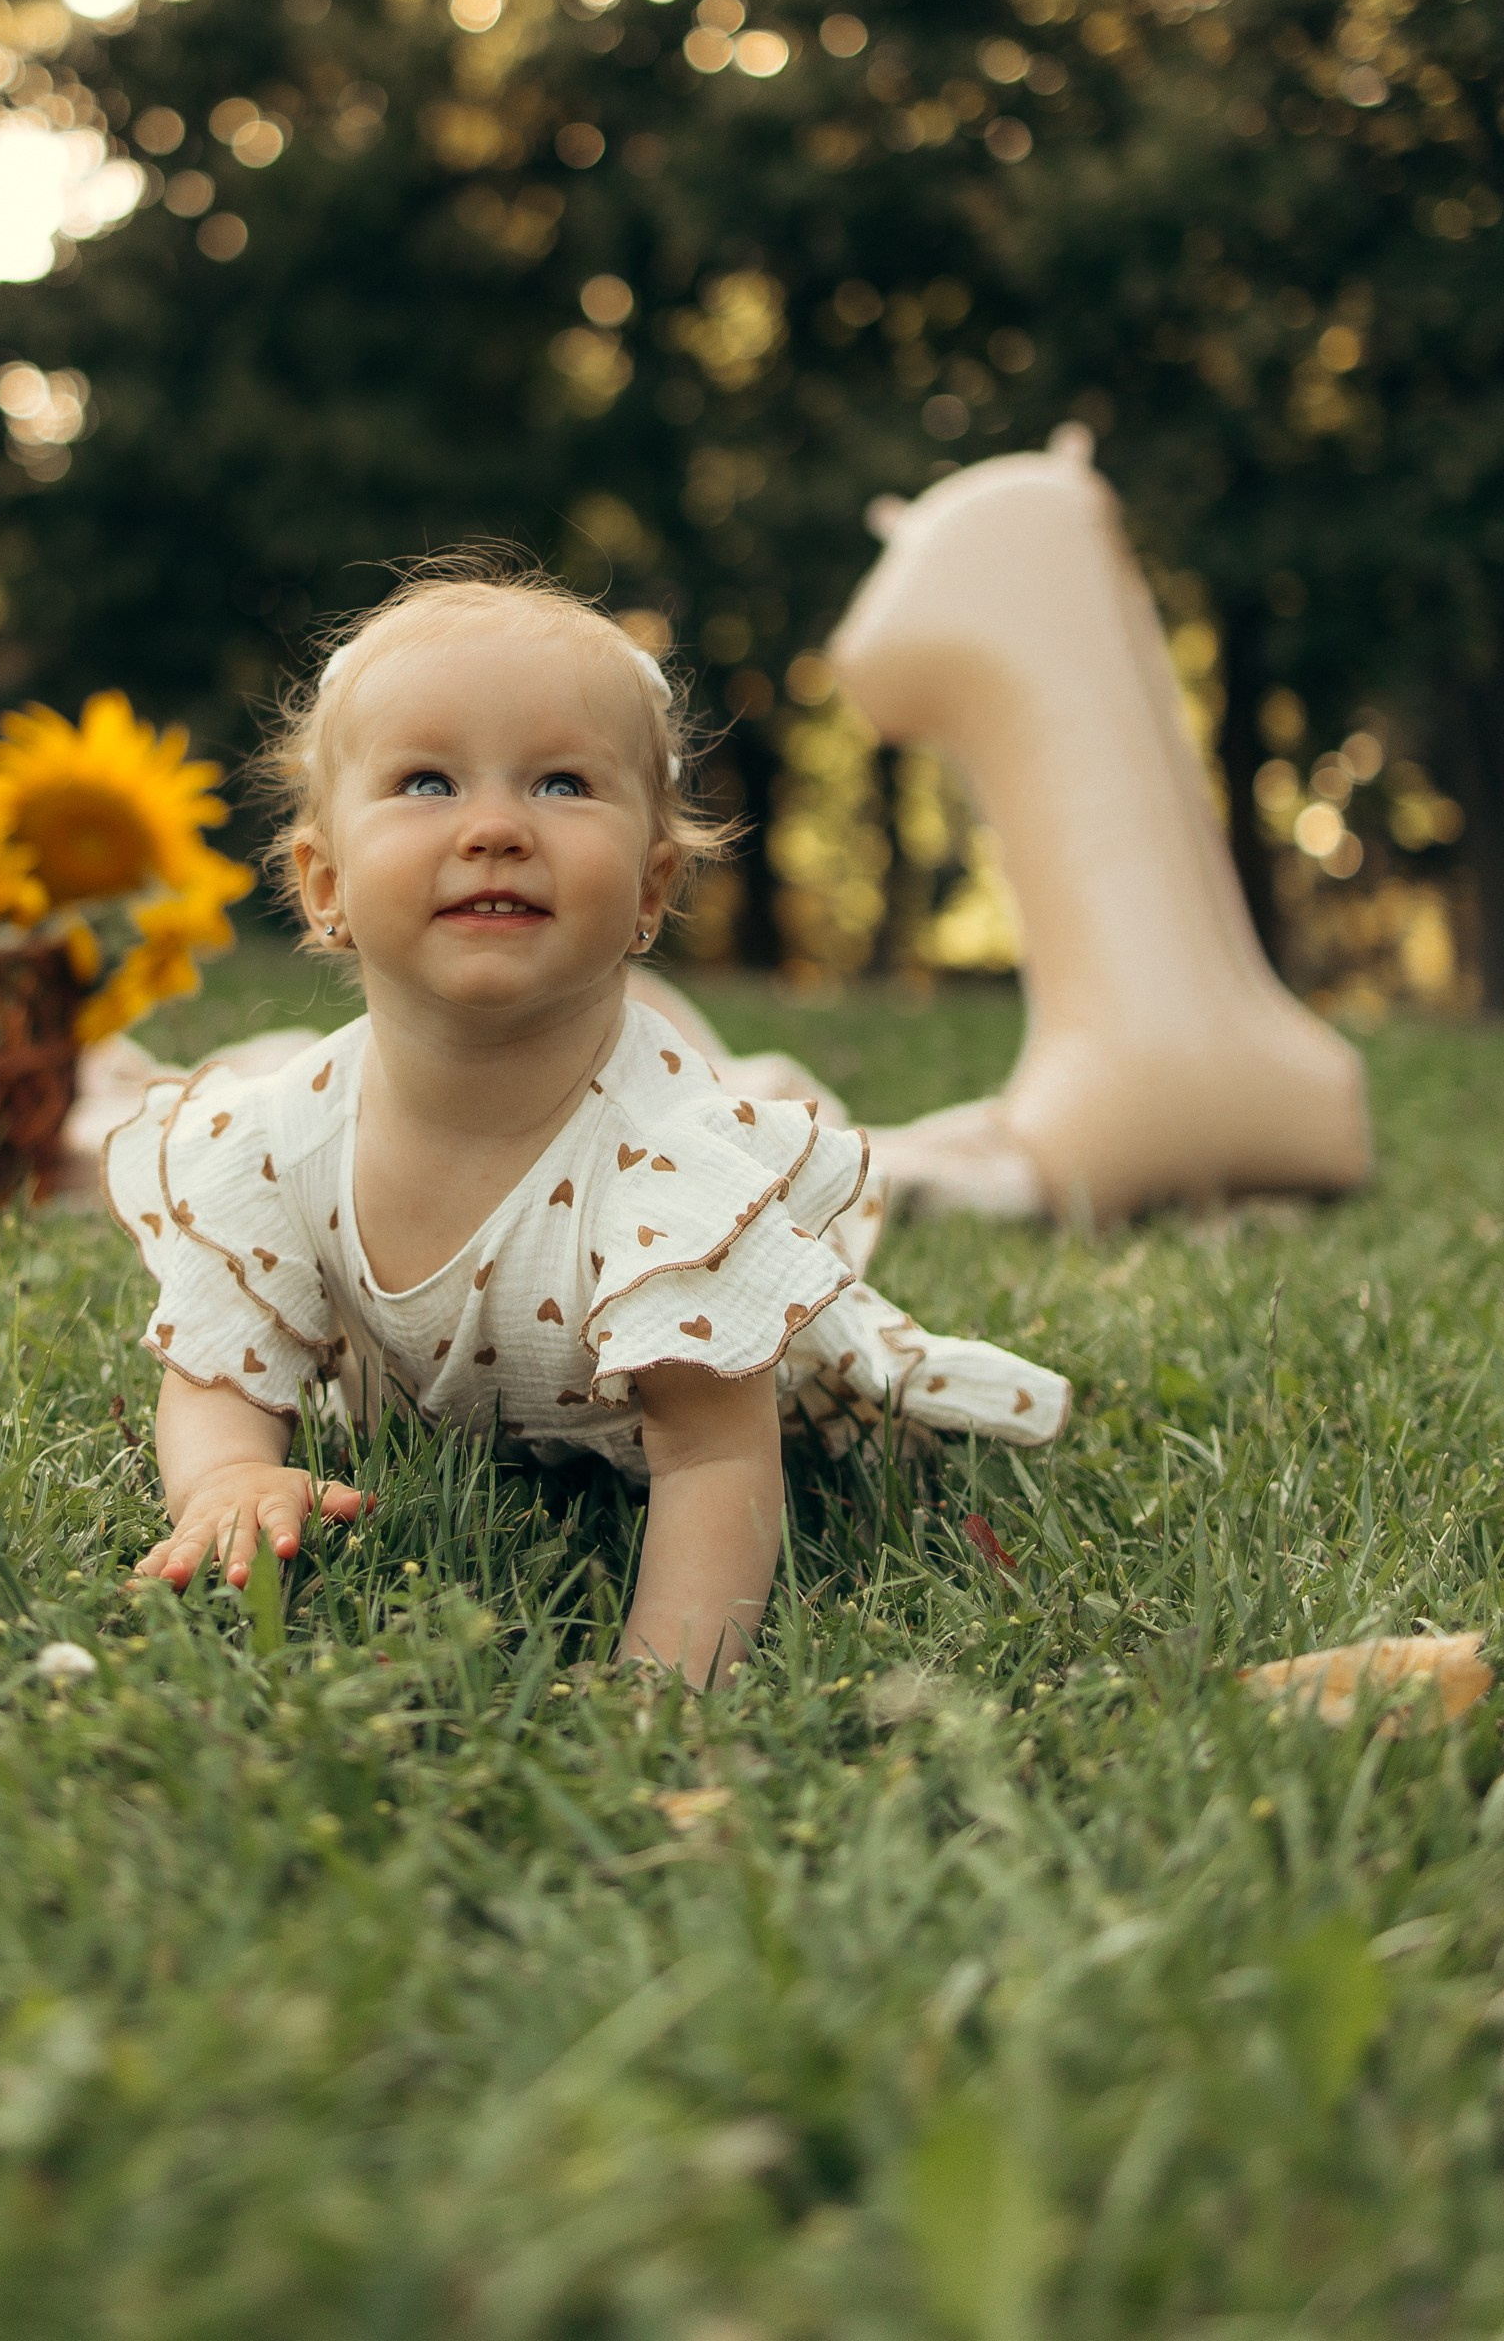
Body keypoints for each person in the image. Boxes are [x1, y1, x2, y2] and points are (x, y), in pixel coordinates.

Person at [102, 559, 1069, 1685]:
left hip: (719, 1392)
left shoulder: (666, 1171)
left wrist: (664, 1687)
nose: (496, 827)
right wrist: (224, 1477)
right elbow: (223, 1365)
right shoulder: (275, 1138)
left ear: (652, 888)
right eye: (425, 783)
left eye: (561, 784)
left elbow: (713, 1457)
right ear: (323, 886)